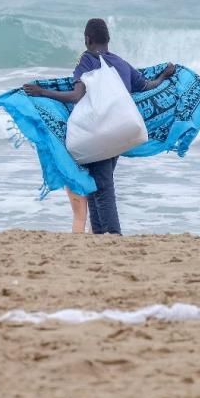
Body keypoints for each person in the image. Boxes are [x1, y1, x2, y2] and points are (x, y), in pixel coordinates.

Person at [24, 18, 175, 235]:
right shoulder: (121, 63)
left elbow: (76, 95)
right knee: (97, 184)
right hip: (121, 131)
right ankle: (98, 234)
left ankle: (113, 235)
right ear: (108, 39)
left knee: (103, 187)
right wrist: (164, 75)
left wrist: (42, 92)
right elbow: (146, 86)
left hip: (99, 131)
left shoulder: (87, 60)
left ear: (87, 39)